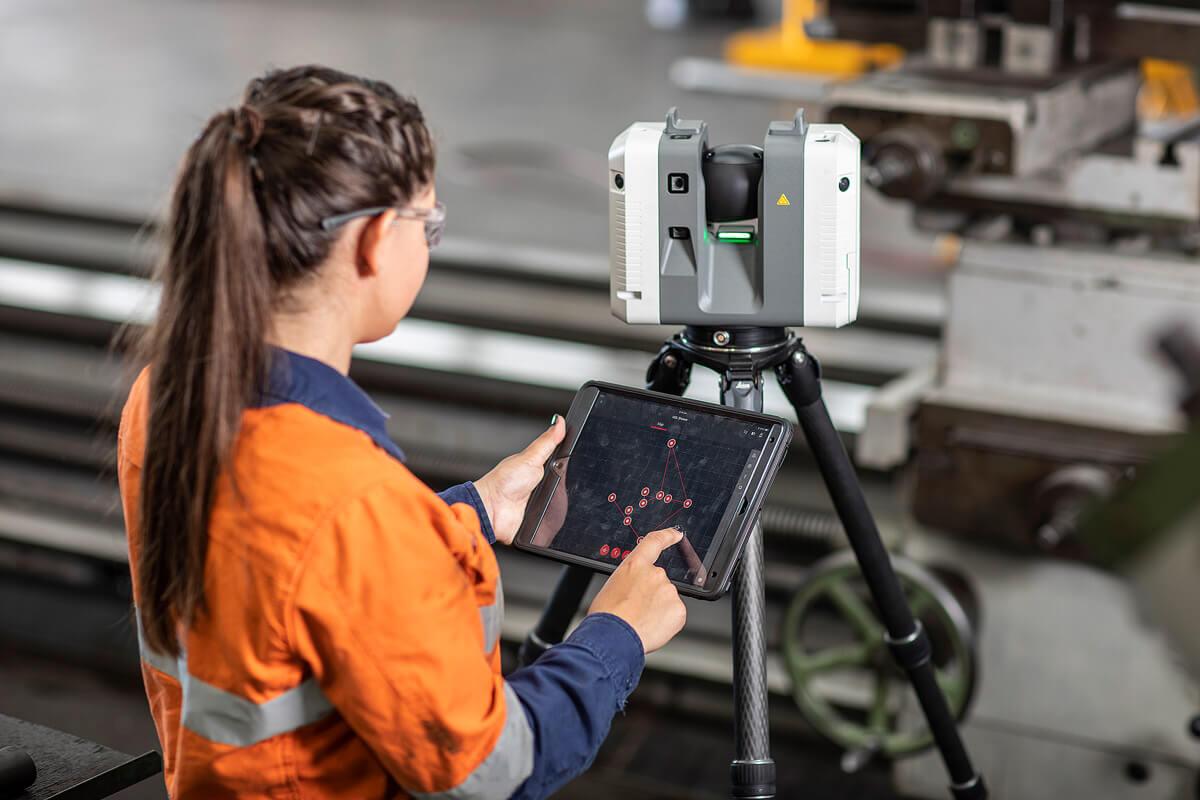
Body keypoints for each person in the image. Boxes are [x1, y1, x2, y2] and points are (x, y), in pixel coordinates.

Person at [116, 65, 687, 800]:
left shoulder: (167, 392)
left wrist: (467, 514)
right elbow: (493, 770)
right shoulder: (352, 502)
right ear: (377, 240)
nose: (432, 241)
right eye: (431, 223)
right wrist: (617, 634)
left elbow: (297, 575)